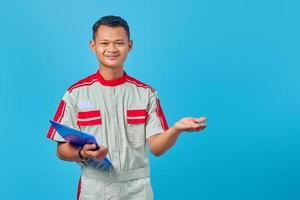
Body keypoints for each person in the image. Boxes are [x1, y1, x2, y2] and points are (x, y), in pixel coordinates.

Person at [47, 15, 207, 200]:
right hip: (95, 188)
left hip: (137, 190)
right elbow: (61, 151)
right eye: (104, 43)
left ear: (129, 45)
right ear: (93, 46)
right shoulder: (75, 94)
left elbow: (157, 148)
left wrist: (176, 130)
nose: (112, 49)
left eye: (119, 43)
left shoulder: (146, 94)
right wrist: (83, 153)